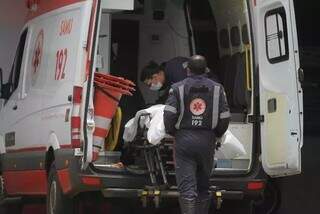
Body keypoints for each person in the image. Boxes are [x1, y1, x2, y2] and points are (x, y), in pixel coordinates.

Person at [163, 55, 230, 214]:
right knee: (203, 186)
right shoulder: (217, 88)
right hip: (207, 140)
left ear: (188, 70)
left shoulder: (176, 88)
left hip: (184, 140)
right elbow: (225, 117)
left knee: (187, 188)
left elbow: (169, 115)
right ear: (206, 70)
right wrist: (217, 134)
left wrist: (173, 132)